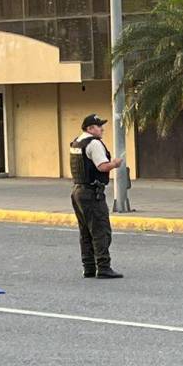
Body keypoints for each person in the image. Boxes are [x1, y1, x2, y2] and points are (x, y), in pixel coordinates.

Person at [69, 113, 124, 279]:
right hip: (92, 192)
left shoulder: (77, 142)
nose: (102, 129)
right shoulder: (94, 143)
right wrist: (115, 163)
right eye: (99, 126)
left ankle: (89, 267)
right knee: (101, 230)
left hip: (78, 190)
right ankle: (104, 266)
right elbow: (102, 166)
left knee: (85, 231)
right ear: (90, 128)